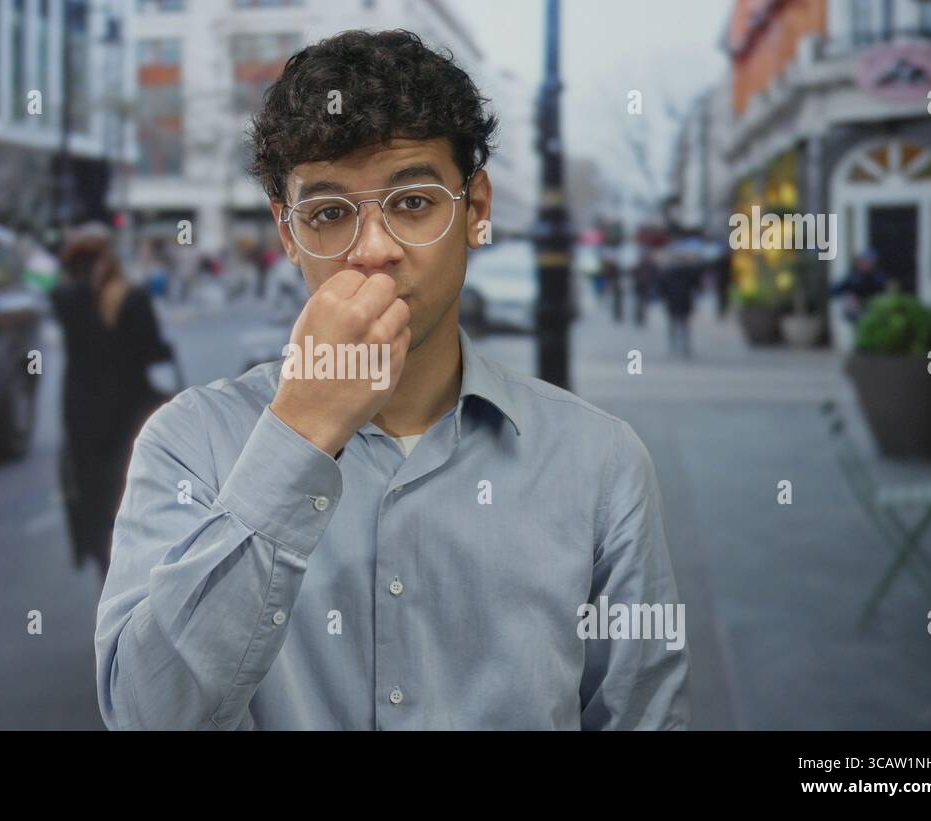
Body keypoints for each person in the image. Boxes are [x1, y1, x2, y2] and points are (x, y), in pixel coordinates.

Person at [95, 30, 689, 730]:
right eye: (328, 214)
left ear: (477, 209)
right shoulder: (189, 442)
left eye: (412, 203)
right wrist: (299, 434)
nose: (374, 251)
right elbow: (145, 715)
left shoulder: (601, 462)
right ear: (287, 234)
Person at [51, 224, 171, 581]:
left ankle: (106, 576)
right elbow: (150, 350)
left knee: (94, 498)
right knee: (131, 497)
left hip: (83, 412)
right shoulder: (130, 297)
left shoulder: (63, 298)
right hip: (128, 411)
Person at [830, 249, 888, 323]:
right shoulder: (854, 277)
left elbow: (881, 296)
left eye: (867, 262)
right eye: (862, 261)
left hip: (873, 311)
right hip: (857, 313)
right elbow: (836, 289)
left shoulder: (878, 278)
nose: (863, 264)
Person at [657, 261, 699, 358]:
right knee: (684, 325)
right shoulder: (689, 274)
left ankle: (673, 344)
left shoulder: (667, 274)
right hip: (685, 302)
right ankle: (685, 345)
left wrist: (663, 297)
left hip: (672, 302)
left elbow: (662, 288)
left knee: (673, 324)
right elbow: (695, 286)